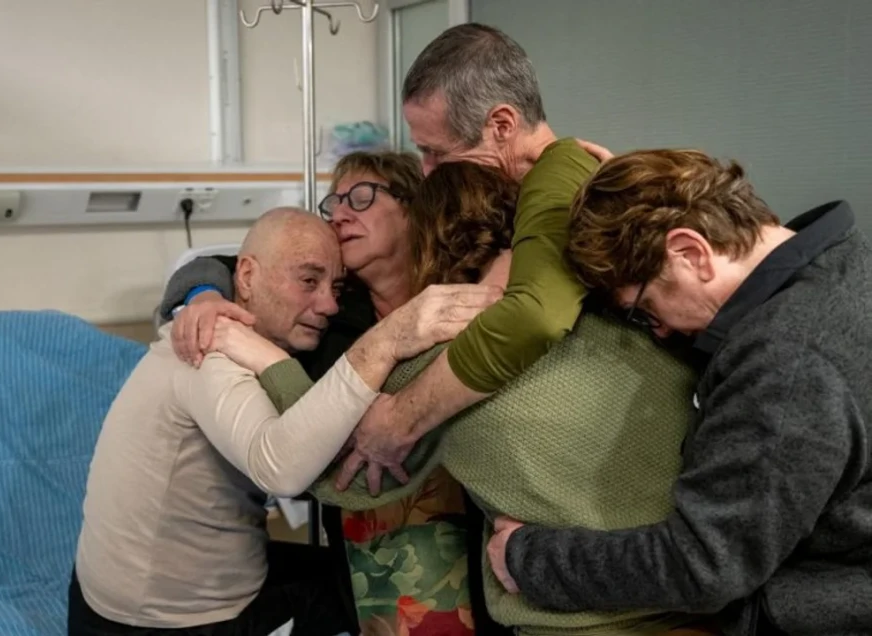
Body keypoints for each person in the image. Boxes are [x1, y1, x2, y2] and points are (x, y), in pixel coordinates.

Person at [258, 161, 709, 636]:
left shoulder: (438, 363)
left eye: (363, 197)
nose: (342, 215)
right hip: (699, 607)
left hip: (571, 619)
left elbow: (320, 465)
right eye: (336, 202)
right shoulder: (643, 323)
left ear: (418, 228)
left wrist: (257, 354)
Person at [489, 149, 872, 636]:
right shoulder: (842, 261)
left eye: (645, 309)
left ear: (691, 252)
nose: (660, 331)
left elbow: (703, 566)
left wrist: (528, 558)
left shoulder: (786, 363)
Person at [69, 207, 496, 636]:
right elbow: (282, 468)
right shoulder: (207, 349)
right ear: (248, 278)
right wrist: (386, 343)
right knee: (380, 594)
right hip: (158, 621)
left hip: (151, 589)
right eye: (308, 281)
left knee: (355, 573)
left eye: (336, 286)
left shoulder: (273, 332)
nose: (328, 303)